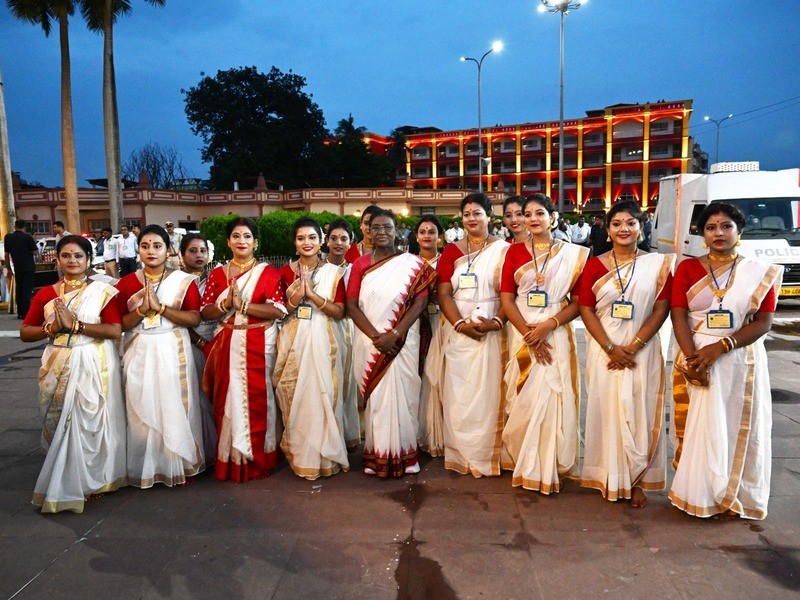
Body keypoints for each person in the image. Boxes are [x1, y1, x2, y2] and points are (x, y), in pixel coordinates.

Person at [669, 202, 783, 521]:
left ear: (739, 231)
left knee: (734, 425)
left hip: (738, 360)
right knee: (697, 427)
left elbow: (764, 322)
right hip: (694, 355)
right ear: (702, 234)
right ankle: (698, 492)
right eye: (711, 227)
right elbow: (677, 313)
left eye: (726, 226)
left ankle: (731, 496)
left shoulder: (760, 272)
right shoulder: (688, 269)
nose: (718, 232)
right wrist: (693, 358)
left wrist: (721, 347)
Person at [20, 235, 127, 513]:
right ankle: (66, 472)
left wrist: (77, 326)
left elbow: (114, 330)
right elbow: (25, 332)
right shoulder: (46, 293)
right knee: (60, 421)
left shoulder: (103, 292)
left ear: (89, 260)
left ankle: (91, 479)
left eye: (78, 256)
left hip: (92, 359)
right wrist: (51, 329)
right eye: (66, 255)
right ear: (57, 260)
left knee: (86, 419)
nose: (73, 261)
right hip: (57, 360)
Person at [578, 201, 674, 508]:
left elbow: (662, 308)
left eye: (630, 222)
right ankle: (609, 475)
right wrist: (610, 347)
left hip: (641, 351)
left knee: (640, 411)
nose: (623, 229)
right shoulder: (594, 265)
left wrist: (635, 345)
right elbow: (585, 308)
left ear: (641, 227)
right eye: (616, 223)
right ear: (607, 230)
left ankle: (638, 481)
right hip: (603, 349)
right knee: (607, 411)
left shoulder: (657, 265)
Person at [499, 195, 589, 493]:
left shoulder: (573, 254)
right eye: (527, 214)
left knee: (553, 393)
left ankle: (548, 465)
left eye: (540, 213)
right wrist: (529, 333)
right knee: (524, 394)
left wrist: (549, 326)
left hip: (557, 331)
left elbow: (579, 302)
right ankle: (525, 462)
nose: (533, 218)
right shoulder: (512, 253)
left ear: (553, 216)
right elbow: (506, 299)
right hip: (522, 331)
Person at [346, 209, 437, 477]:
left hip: (403, 341)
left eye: (387, 227)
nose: (382, 232)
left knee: (405, 396)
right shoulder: (360, 264)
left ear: (397, 231)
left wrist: (395, 333)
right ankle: (377, 456)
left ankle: (407, 456)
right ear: (368, 232)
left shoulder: (412, 264)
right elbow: (351, 305)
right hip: (371, 343)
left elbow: (420, 302)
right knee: (377, 400)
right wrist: (377, 337)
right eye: (376, 228)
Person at [116, 224, 205, 488]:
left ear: (168, 250)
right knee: (140, 405)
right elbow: (121, 323)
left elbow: (194, 317)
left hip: (173, 347)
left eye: (157, 246)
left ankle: (175, 463)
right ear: (138, 250)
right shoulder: (126, 283)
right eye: (145, 246)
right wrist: (143, 310)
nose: (151, 251)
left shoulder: (183, 280)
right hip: (139, 348)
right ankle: (145, 466)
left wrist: (162, 308)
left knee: (174, 404)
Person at [201, 218, 287, 482]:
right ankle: (232, 458)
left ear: (255, 242)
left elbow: (277, 310)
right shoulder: (217, 274)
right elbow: (205, 312)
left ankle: (262, 456)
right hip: (228, 342)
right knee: (228, 400)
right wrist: (227, 304)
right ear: (228, 242)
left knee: (263, 400)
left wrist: (245, 307)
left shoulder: (269, 273)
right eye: (236, 236)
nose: (241, 241)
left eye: (247, 236)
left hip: (260, 342)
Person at [437, 193, 510, 477]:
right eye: (466, 214)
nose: (471, 219)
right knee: (460, 393)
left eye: (477, 213)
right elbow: (444, 293)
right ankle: (460, 454)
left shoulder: (504, 249)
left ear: (490, 216)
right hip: (458, 329)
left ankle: (487, 454)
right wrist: (459, 325)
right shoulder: (451, 252)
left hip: (493, 328)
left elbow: (509, 294)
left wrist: (496, 322)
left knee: (491, 393)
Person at [274, 217, 350, 479]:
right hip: (293, 337)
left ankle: (326, 456)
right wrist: (298, 293)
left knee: (323, 394)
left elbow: (339, 312)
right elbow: (281, 310)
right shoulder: (284, 273)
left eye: (312, 238)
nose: (307, 243)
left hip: (325, 337)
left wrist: (314, 295)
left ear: (321, 242)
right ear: (295, 244)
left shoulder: (335, 272)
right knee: (295, 394)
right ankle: (301, 454)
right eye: (301, 238)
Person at [180, 233, 218, 463]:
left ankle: (214, 449)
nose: (198, 255)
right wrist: (199, 342)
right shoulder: (177, 282)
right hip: (188, 342)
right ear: (182, 254)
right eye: (192, 251)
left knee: (213, 395)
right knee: (192, 396)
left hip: (215, 341)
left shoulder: (216, 278)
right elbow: (177, 317)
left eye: (202, 251)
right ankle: (194, 452)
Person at [325, 219, 360, 451]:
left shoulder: (355, 269)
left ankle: (347, 434)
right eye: (334, 238)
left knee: (349, 384)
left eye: (344, 239)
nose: (338, 243)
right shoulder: (318, 270)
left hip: (352, 329)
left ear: (351, 242)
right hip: (323, 331)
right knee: (328, 384)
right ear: (326, 242)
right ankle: (329, 436)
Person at [413, 215, 446, 456]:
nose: (427, 235)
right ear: (416, 237)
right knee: (420, 374)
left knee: (440, 375)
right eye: (422, 231)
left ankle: (441, 434)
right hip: (415, 325)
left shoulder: (447, 262)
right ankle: (419, 432)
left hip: (442, 322)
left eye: (432, 231)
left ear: (439, 236)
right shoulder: (408, 263)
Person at [4, 219, 39, 319]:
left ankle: (19, 312)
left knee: (19, 289)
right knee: (27, 290)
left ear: (15, 226)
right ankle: (26, 313)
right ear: (24, 227)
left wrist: (8, 267)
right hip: (28, 267)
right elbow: (36, 252)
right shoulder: (27, 237)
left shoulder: (8, 237)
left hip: (17, 267)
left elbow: (6, 255)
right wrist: (33, 239)